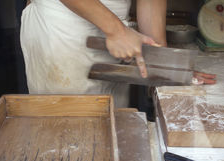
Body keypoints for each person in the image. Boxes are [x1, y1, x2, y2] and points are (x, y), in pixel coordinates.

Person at [20, 0, 166, 107]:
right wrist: (117, 30)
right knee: (66, 130)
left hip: (119, 37)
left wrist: (160, 59)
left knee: (112, 127)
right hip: (63, 28)